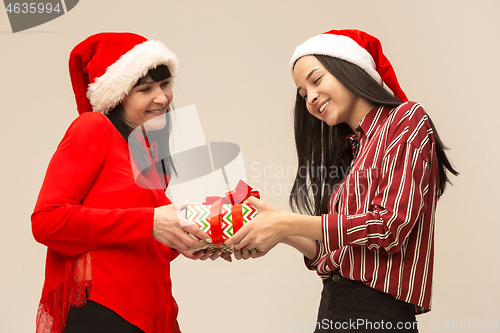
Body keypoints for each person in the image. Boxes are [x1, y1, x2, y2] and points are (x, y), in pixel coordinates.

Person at [226, 29, 458, 331]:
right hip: (333, 308)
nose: (310, 97)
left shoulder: (406, 119)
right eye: (302, 93)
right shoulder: (351, 154)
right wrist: (273, 230)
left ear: (351, 69)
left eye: (316, 80)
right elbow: (336, 250)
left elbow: (389, 227)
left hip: (378, 316)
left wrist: (284, 222)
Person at [31, 32, 217, 333]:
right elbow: (47, 221)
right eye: (145, 89)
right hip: (106, 315)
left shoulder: (145, 151)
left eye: (165, 84)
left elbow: (144, 240)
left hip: (156, 318)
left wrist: (198, 235)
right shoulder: (92, 128)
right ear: (117, 96)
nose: (162, 98)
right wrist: (151, 222)